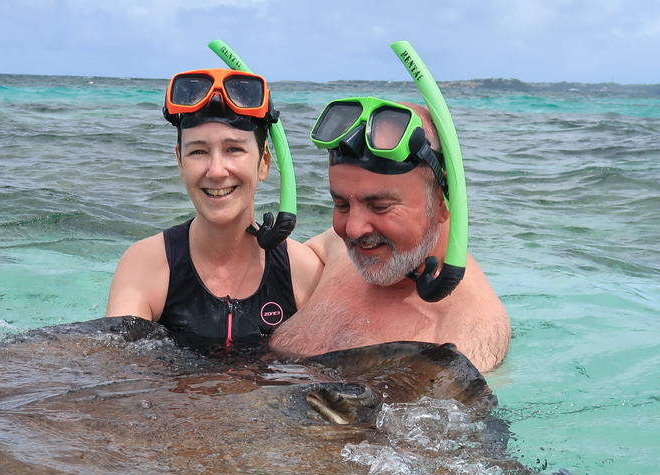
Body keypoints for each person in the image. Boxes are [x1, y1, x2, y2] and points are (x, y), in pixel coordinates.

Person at [269, 98, 511, 372]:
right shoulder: (338, 252)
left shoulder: (462, 336)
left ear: (444, 200)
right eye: (342, 205)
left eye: (380, 207)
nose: (353, 229)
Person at [106, 68, 321, 348]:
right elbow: (119, 374)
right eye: (198, 151)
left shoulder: (301, 271)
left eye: (234, 149)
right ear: (180, 163)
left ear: (265, 162)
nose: (216, 171)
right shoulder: (145, 266)